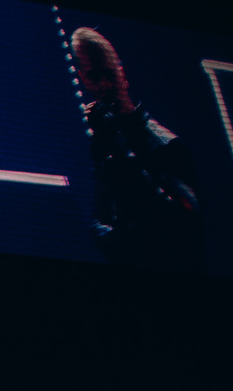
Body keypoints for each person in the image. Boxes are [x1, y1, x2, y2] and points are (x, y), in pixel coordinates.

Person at [70, 26, 203, 271]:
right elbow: (99, 214)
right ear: (83, 78)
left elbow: (187, 216)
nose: (104, 85)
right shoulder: (99, 141)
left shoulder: (166, 144)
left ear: (123, 74)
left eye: (110, 74)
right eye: (93, 77)